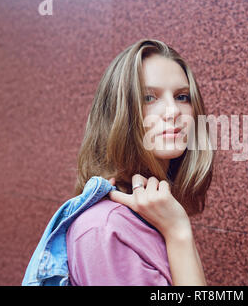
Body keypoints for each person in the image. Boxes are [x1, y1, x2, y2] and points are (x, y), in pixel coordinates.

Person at [66, 39, 215, 286]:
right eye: (149, 97)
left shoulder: (157, 211)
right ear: (118, 114)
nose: (172, 111)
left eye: (182, 96)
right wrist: (178, 233)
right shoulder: (104, 230)